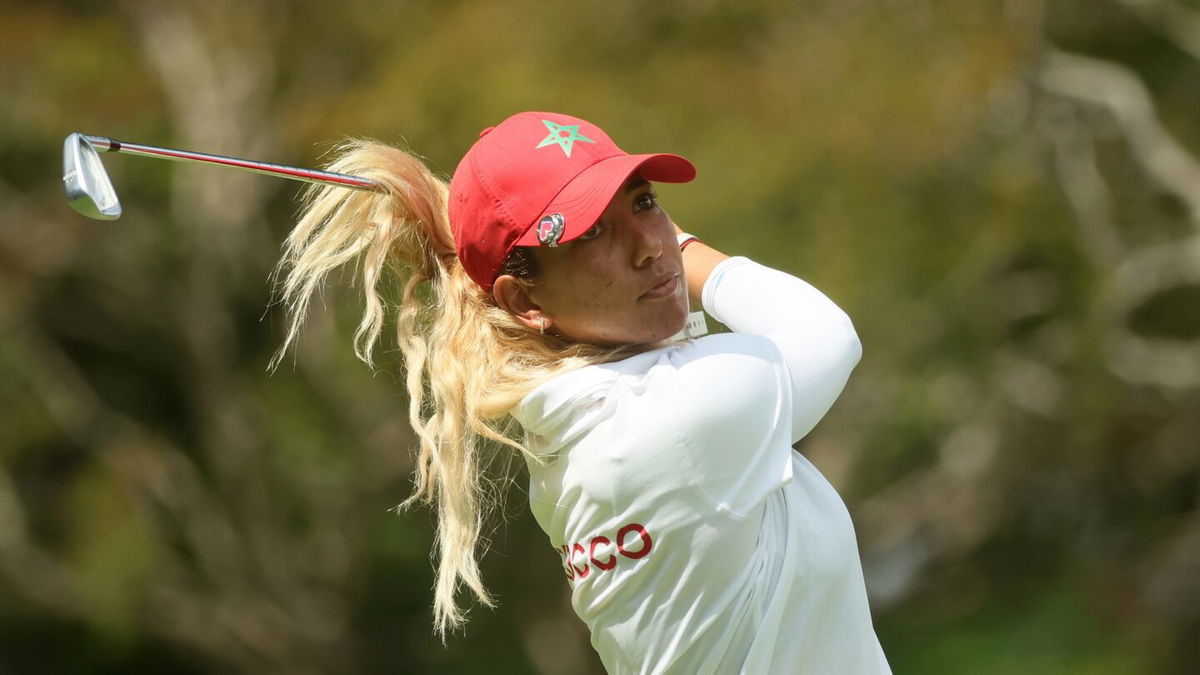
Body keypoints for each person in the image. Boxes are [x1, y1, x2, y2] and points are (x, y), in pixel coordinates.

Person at [272, 111, 890, 673]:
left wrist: (655, 250)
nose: (647, 244)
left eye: (644, 202)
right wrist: (684, 250)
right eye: (592, 233)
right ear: (524, 300)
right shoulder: (678, 415)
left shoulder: (578, 420)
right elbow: (826, 335)